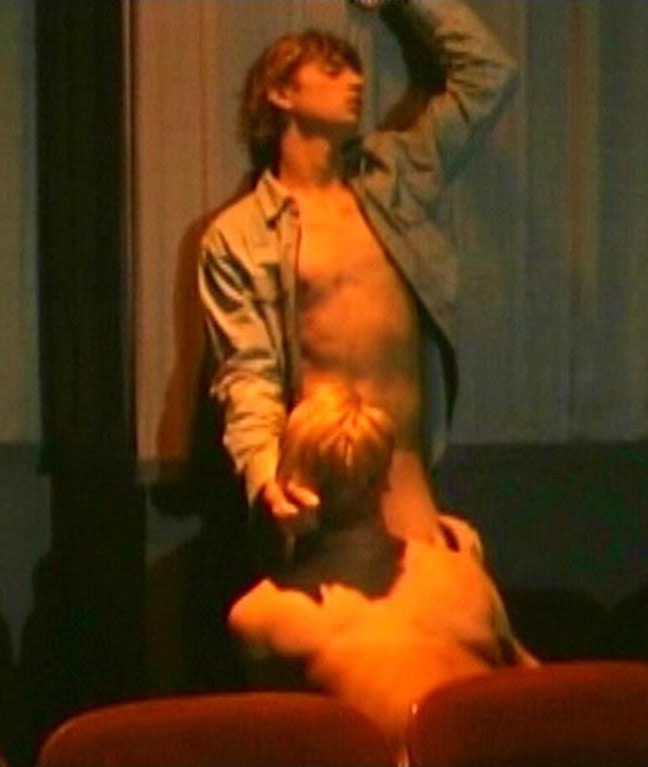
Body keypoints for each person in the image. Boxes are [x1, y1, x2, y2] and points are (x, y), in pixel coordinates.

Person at [198, 0, 518, 547]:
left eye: (356, 70)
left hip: (406, 478)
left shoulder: (393, 181)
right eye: (332, 71)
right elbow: (248, 375)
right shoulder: (240, 236)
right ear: (281, 94)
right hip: (320, 487)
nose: (356, 81)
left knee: (450, 596)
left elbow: (490, 73)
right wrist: (268, 480)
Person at [228, 383, 537, 763]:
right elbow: (539, 690)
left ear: (293, 486)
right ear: (384, 477)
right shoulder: (463, 574)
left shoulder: (262, 615)